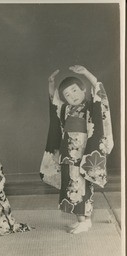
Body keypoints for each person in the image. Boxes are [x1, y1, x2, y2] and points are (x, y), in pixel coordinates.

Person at [40, 65, 114, 234]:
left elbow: (99, 94)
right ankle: (82, 220)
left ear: (83, 90)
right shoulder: (65, 109)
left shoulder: (91, 106)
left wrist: (87, 73)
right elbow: (55, 104)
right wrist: (51, 85)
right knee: (71, 183)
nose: (71, 96)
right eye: (67, 94)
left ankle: (84, 220)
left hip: (83, 152)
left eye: (74, 91)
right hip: (68, 152)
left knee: (80, 184)